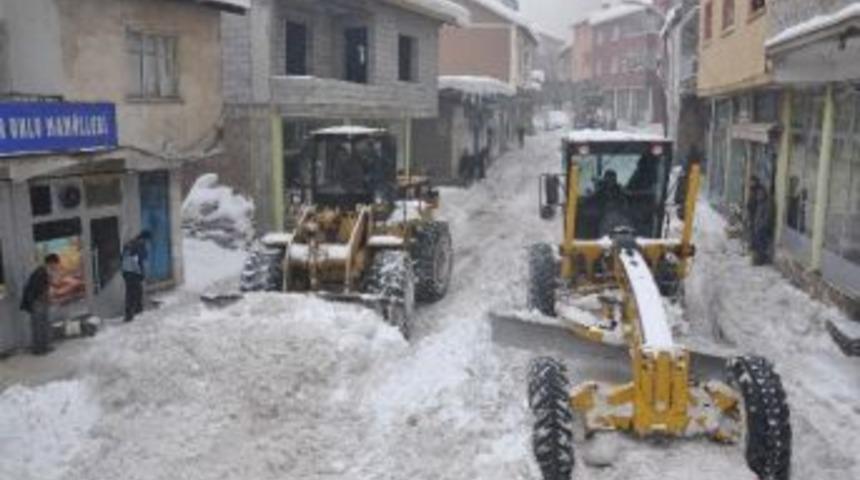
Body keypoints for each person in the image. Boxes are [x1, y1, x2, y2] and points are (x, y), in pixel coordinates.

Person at [20, 254, 61, 355]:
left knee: (45, 324)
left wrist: (49, 298)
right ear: (51, 263)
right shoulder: (40, 272)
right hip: (37, 303)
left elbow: (45, 288)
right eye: (56, 264)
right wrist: (35, 303)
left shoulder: (45, 272)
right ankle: (38, 350)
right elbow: (34, 289)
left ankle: (45, 346)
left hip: (42, 302)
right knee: (38, 326)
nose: (56, 266)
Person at [122, 231, 151, 322]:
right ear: (144, 239)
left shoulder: (130, 243)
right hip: (134, 272)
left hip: (127, 271)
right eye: (147, 240)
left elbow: (123, 257)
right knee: (133, 293)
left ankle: (135, 310)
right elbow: (140, 261)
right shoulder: (140, 245)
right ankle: (130, 314)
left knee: (133, 292)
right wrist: (142, 274)